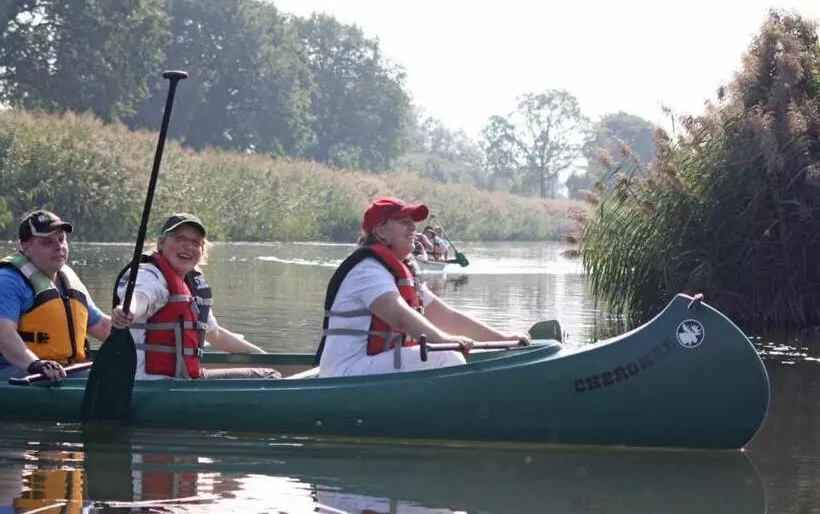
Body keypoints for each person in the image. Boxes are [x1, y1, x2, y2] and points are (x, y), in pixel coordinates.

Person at [313, 196, 531, 377]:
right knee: (446, 355)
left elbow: (449, 318)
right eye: (403, 222)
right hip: (346, 372)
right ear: (380, 232)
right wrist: (444, 341)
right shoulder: (367, 270)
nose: (412, 228)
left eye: (412, 222)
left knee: (449, 351)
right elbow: (399, 316)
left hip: (370, 367)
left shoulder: (402, 270)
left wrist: (503, 339)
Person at [110, 213, 280, 380]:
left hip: (181, 380)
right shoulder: (149, 274)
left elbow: (215, 335)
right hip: (148, 384)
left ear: (201, 250)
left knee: (269, 370)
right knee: (270, 377)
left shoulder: (192, 284)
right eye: (179, 239)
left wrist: (263, 356)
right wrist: (126, 311)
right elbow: (140, 296)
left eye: (195, 242)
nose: (187, 246)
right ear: (161, 243)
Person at [0, 210, 113, 381]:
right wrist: (36, 364)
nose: (58, 246)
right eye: (47, 242)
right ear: (25, 247)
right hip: (20, 373)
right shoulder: (8, 280)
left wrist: (145, 345)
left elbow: (103, 327)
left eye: (61, 240)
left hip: (65, 371)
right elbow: (4, 335)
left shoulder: (67, 279)